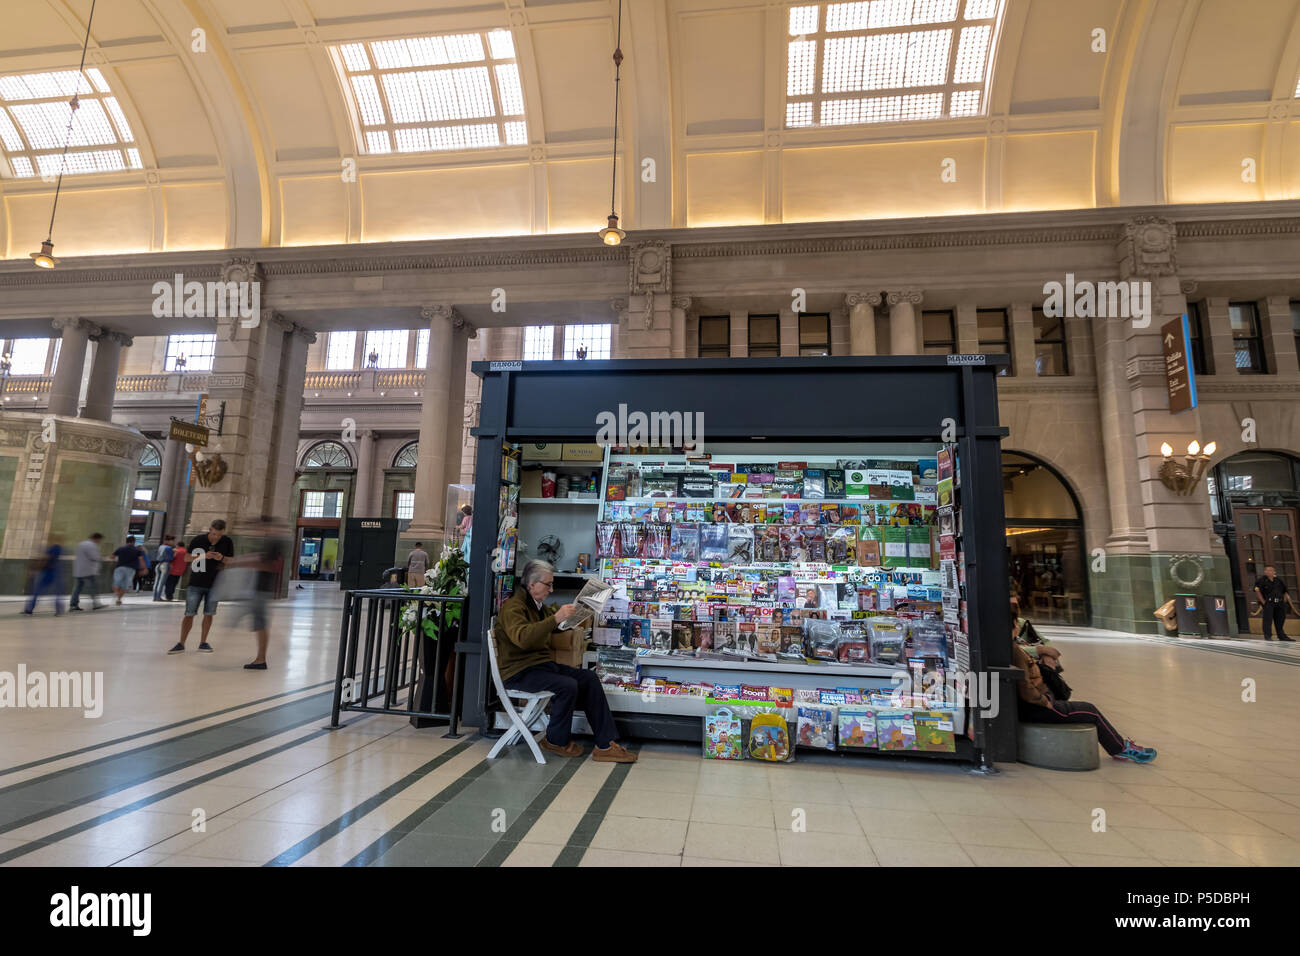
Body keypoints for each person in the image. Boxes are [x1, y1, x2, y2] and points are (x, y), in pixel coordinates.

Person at [493, 559, 637, 763]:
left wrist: (575, 615)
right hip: (519, 672)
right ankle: (555, 741)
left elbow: (550, 628)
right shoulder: (513, 608)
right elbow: (523, 638)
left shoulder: (536, 606)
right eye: (548, 584)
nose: (551, 589)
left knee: (588, 678)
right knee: (567, 685)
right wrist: (555, 619)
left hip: (539, 667)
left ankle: (605, 744)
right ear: (532, 584)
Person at [1013, 639, 1155, 762]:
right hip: (1038, 706)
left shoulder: (1012, 648)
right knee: (1090, 710)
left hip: (1038, 700)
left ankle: (1120, 746)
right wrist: (1044, 701)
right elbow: (1025, 687)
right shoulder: (1015, 651)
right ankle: (1120, 748)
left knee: (1073, 702)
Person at [168, 519, 234, 654]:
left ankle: (203, 642)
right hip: (196, 583)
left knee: (209, 614)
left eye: (219, 535)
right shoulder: (198, 540)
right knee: (189, 613)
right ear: (210, 530)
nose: (216, 537)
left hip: (215, 584)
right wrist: (204, 556)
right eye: (214, 534)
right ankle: (181, 643)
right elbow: (186, 558)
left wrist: (221, 558)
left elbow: (231, 561)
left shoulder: (227, 541)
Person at [228, 529, 286, 670]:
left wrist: (239, 563)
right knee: (259, 624)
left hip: (261, 590)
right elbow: (260, 558)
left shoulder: (273, 542)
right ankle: (260, 658)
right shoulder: (269, 543)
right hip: (259, 590)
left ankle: (261, 659)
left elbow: (266, 564)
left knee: (260, 624)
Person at [22, 538, 65, 616]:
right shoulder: (57, 548)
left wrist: (37, 568)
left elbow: (45, 558)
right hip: (54, 572)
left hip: (47, 572)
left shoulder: (53, 548)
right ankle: (59, 610)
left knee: (38, 591)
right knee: (56, 592)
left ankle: (29, 609)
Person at [1253, 565, 1297, 641]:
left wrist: (1284, 600)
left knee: (1280, 619)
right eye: (1268, 570)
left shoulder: (1278, 580)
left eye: (1271, 570)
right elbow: (1257, 591)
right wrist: (1263, 602)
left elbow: (1285, 591)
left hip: (1279, 603)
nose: (1270, 572)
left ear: (1274, 572)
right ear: (1265, 571)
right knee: (1268, 620)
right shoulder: (1261, 580)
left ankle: (1281, 636)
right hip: (1268, 603)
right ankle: (1268, 636)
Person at [69, 533, 105, 611]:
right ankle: (96, 604)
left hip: (79, 570)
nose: (100, 541)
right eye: (100, 540)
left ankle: (73, 604)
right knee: (93, 587)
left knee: (77, 588)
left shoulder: (81, 544)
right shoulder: (91, 545)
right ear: (97, 538)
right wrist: (100, 557)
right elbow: (94, 557)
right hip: (88, 570)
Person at [111, 536, 145, 605]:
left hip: (120, 568)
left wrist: (113, 562)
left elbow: (112, 556)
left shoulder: (121, 549)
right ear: (133, 542)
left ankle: (116, 593)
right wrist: (143, 569)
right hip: (131, 569)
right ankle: (119, 599)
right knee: (124, 585)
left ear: (126, 541)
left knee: (116, 582)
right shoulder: (137, 550)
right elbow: (141, 560)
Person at [152, 535, 176, 602]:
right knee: (161, 582)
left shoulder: (161, 547)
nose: (173, 542)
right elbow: (171, 558)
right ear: (169, 541)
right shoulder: (169, 548)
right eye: (172, 541)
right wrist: (175, 553)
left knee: (156, 582)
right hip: (166, 564)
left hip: (158, 564)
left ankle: (154, 597)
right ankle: (158, 597)